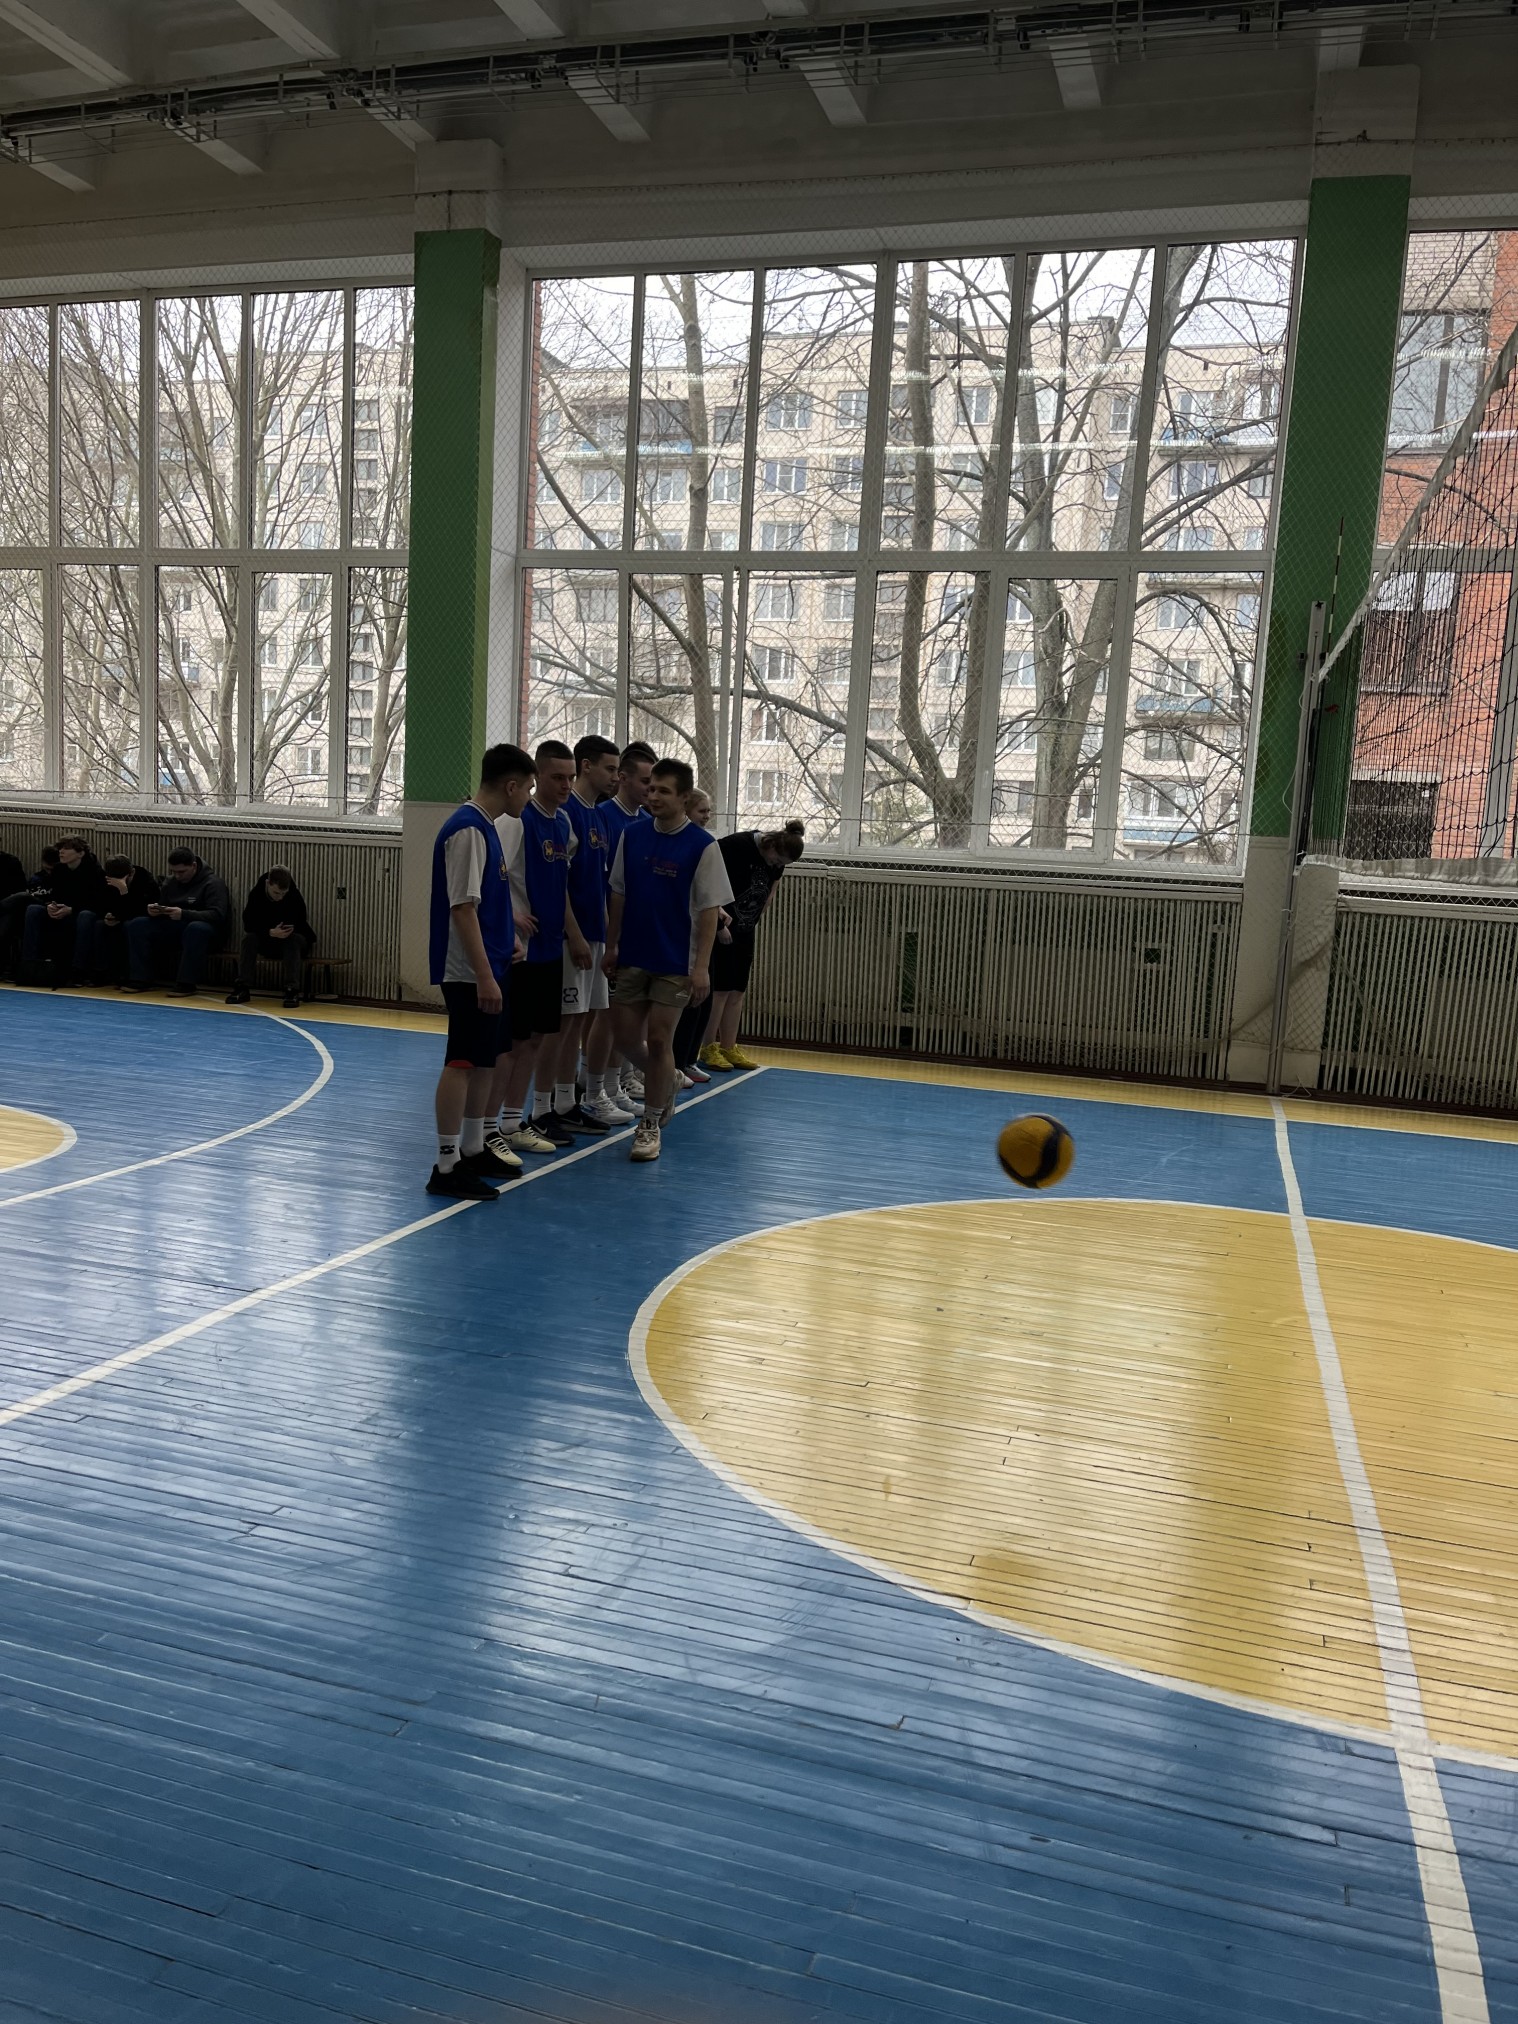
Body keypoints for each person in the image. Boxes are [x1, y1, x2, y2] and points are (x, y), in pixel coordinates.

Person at [605, 756, 734, 1165]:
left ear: (684, 797)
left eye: (664, 791)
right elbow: (619, 893)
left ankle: (649, 1124)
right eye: (651, 788)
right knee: (626, 1040)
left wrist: (701, 968)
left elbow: (709, 911)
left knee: (661, 1039)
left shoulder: (702, 846)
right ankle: (669, 1078)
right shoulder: (632, 835)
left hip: (676, 961)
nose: (654, 796)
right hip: (633, 954)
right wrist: (612, 945)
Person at [426, 742, 536, 1200]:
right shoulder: (468, 829)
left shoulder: (487, 827)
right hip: (469, 972)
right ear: (510, 786)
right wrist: (485, 975)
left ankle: (472, 1148)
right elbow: (462, 908)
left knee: (487, 1058)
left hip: (491, 964)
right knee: (463, 1061)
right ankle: (446, 1164)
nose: (528, 796)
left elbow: (489, 901)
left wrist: (506, 939)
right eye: (528, 788)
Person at [489, 739, 593, 1156]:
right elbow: (490, 874)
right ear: (537, 777)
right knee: (513, 1044)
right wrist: (511, 915)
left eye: (571, 777)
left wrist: (573, 933)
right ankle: (489, 1127)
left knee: (535, 1040)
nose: (566, 785)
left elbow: (560, 885)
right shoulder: (517, 821)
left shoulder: (563, 824)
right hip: (522, 950)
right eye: (557, 777)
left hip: (551, 946)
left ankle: (515, 1122)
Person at [545, 732, 627, 1132]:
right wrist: (574, 935)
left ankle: (569, 1099)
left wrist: (609, 938)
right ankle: (554, 1103)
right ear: (587, 766)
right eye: (610, 769)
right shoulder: (568, 813)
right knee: (565, 1024)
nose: (616, 777)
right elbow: (559, 883)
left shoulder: (598, 815)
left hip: (595, 934)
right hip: (571, 938)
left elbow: (601, 883)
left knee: (581, 1021)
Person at [699, 820, 805, 1072]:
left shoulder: (778, 862)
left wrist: (752, 922)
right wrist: (718, 924)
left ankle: (728, 1045)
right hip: (722, 926)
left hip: (745, 928)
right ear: (771, 846)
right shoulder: (735, 846)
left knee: (737, 990)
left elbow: (771, 891)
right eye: (776, 860)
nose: (776, 866)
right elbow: (706, 882)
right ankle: (708, 1046)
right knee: (720, 990)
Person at [598, 739, 657, 1111]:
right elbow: (604, 883)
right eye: (646, 782)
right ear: (623, 778)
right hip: (608, 930)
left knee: (635, 1012)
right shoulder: (605, 817)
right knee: (606, 1016)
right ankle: (597, 1085)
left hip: (638, 932)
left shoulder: (647, 822)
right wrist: (611, 936)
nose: (651, 790)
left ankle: (622, 1077)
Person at [121, 849, 231, 997]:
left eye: (182, 872)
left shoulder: (213, 883)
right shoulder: (170, 882)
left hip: (206, 930)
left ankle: (186, 983)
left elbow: (217, 915)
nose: (177, 876)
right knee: (138, 924)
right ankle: (140, 978)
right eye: (174, 872)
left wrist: (184, 914)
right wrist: (156, 911)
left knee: (196, 929)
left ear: (193, 866)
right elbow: (163, 904)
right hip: (175, 927)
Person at [671, 786, 719, 1088]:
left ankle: (687, 1060)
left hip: (696, 941)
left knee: (700, 1002)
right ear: (685, 809)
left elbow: (710, 900)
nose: (707, 816)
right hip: (675, 944)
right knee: (680, 1008)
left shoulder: (705, 846)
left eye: (709, 811)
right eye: (702, 811)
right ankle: (673, 1064)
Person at [20, 835, 106, 987]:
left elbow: (97, 902)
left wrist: (72, 910)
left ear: (80, 853)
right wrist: (50, 905)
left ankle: (78, 970)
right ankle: (29, 965)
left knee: (85, 916)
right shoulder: (59, 869)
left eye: (66, 848)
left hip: (81, 911)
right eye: (60, 848)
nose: (61, 852)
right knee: (33, 910)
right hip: (61, 909)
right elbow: (54, 894)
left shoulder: (95, 872)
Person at [225, 866, 315, 1009]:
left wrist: (288, 929)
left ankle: (292, 990)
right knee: (249, 939)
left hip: (291, 940)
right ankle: (242, 987)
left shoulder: (294, 894)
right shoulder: (256, 894)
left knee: (293, 941)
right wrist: (269, 932)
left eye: (284, 893)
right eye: (276, 893)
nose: (280, 897)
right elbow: (248, 923)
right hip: (267, 938)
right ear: (268, 883)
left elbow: (301, 920)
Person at [91, 854, 159, 984]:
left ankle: (129, 973)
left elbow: (143, 909)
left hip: (136, 917)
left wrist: (124, 891)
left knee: (129, 926)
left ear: (132, 872)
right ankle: (101, 971)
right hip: (117, 916)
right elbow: (99, 902)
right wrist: (106, 915)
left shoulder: (145, 881)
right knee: (99, 925)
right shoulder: (106, 879)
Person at [0, 847, 58, 979]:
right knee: (9, 918)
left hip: (42, 907)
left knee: (22, 897)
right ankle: (16, 967)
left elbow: (20, 890)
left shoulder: (10, 862)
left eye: (51, 869)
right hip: (17, 909)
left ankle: (25, 966)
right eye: (47, 869)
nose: (49, 872)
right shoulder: (37, 878)